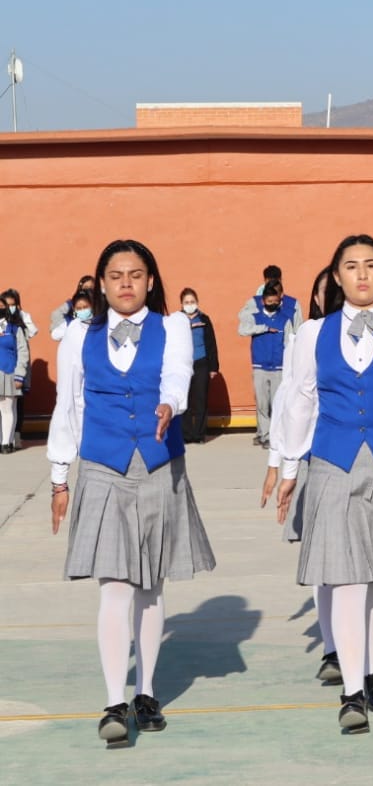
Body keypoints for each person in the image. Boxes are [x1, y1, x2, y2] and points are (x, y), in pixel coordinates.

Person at [272, 235, 373, 733]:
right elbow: (299, 399)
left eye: (371, 265)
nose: (362, 274)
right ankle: (350, 690)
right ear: (336, 276)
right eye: (352, 266)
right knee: (346, 576)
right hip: (333, 460)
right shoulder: (312, 333)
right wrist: (286, 469)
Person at [47, 239, 211, 744]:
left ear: (151, 281)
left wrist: (169, 404)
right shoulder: (77, 335)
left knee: (151, 585)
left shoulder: (175, 327)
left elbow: (177, 372)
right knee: (115, 585)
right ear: (100, 282)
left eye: (135, 274)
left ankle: (146, 690)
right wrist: (59, 475)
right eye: (115, 275)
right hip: (102, 466)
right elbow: (69, 403)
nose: (125, 283)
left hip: (160, 465)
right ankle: (115, 702)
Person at [262, 266, 340, 687]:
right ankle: (332, 649)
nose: (330, 295)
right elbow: (290, 396)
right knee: (323, 562)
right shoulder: (306, 336)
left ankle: (368, 655)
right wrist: (280, 460)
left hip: (362, 456)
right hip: (313, 457)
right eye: (323, 290)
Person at [242, 279, 293, 449]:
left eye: (275, 302)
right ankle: (265, 436)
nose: (272, 304)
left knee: (277, 404)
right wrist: (263, 328)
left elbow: (289, 343)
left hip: (279, 368)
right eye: (269, 302)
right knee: (262, 404)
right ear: (263, 301)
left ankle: (276, 435)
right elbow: (242, 330)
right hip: (259, 367)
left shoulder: (285, 319)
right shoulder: (255, 318)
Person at [178, 289, 220, 445]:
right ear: (181, 304)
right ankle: (186, 434)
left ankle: (199, 434)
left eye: (192, 301)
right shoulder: (178, 320)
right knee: (185, 400)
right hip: (183, 364)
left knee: (201, 399)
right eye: (186, 302)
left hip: (201, 362)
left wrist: (213, 367)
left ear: (197, 302)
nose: (189, 305)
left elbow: (211, 343)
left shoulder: (204, 319)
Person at [0, 299, 28, 454]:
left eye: (2, 307)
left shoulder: (15, 329)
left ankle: (6, 443)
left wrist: (19, 376)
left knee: (7, 408)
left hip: (8, 372)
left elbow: (23, 352)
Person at [50, 275, 96, 341]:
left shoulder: (102, 303)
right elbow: (56, 314)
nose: (88, 290)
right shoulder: (72, 303)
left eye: (91, 288)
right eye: (86, 288)